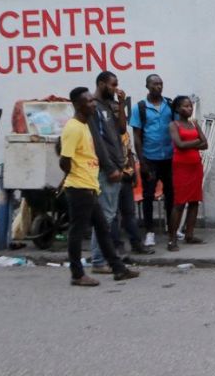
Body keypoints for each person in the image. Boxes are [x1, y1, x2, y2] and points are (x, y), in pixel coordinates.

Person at [59, 87, 139, 286]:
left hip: (90, 186)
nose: (93, 104)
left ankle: (118, 268)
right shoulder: (73, 127)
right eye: (88, 101)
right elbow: (64, 160)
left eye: (93, 101)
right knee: (77, 232)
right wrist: (76, 176)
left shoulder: (86, 125)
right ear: (77, 105)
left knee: (103, 228)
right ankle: (77, 274)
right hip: (79, 188)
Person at [90, 72, 154, 273]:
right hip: (108, 169)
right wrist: (110, 168)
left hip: (120, 167)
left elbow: (120, 131)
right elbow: (98, 142)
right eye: (113, 84)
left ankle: (107, 257)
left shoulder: (109, 106)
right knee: (107, 216)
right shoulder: (94, 107)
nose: (116, 88)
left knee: (117, 214)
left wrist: (121, 103)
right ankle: (99, 260)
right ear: (101, 84)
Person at [130, 74, 175, 246]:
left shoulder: (169, 105)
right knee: (148, 196)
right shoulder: (140, 108)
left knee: (171, 194)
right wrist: (142, 162)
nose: (159, 87)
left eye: (161, 84)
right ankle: (149, 231)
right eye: (155, 84)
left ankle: (172, 229)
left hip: (168, 158)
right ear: (147, 86)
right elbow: (137, 136)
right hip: (150, 159)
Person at [167, 96, 208, 251]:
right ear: (177, 109)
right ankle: (172, 240)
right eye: (185, 106)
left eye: (190, 106)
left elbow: (205, 143)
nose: (189, 109)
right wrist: (196, 143)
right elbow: (180, 144)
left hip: (195, 166)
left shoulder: (194, 124)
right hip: (181, 167)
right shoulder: (174, 125)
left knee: (194, 201)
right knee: (179, 203)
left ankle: (189, 234)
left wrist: (195, 143)